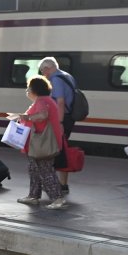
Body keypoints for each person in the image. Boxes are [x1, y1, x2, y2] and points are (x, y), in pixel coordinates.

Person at [12, 75, 66, 209]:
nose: (27, 90)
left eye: (29, 88)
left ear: (35, 89)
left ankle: (57, 199)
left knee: (45, 170)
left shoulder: (42, 101)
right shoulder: (44, 100)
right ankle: (33, 196)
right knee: (34, 169)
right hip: (38, 143)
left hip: (42, 143)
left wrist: (26, 117)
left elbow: (42, 116)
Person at [39, 57, 78, 195]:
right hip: (68, 117)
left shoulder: (56, 79)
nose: (44, 74)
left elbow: (60, 102)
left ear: (48, 68)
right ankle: (63, 184)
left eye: (43, 71)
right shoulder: (67, 76)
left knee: (52, 150)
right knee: (62, 150)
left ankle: (54, 184)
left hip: (61, 119)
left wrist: (59, 123)